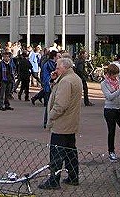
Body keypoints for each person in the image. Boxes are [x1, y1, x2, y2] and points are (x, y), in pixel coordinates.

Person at [38, 57, 82, 190]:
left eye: (57, 67)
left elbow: (60, 104)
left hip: (62, 123)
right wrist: (54, 80)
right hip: (71, 122)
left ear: (65, 67)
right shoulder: (74, 78)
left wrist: (50, 117)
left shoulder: (66, 81)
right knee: (70, 152)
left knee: (56, 154)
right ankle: (73, 176)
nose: (55, 69)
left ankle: (54, 180)